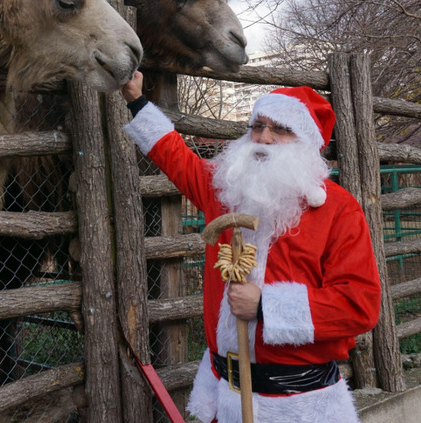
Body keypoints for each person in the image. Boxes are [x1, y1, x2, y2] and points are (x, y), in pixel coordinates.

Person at [120, 71, 381, 423]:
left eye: (281, 129)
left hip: (300, 407)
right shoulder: (227, 191)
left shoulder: (338, 209)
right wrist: (136, 99)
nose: (263, 138)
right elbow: (176, 157)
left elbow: (359, 305)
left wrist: (265, 305)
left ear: (306, 143)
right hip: (227, 398)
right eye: (257, 126)